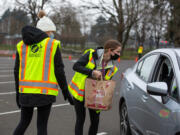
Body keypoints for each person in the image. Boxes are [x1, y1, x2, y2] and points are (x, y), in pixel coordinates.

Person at [13, 10, 73, 135]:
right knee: (41, 126)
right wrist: (65, 91)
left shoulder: (21, 45)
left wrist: (18, 92)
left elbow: (16, 71)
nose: (52, 35)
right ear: (47, 31)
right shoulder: (52, 44)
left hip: (25, 92)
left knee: (23, 123)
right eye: (52, 32)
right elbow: (59, 70)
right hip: (45, 93)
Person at [68, 39, 121, 135]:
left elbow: (106, 83)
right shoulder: (91, 54)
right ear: (110, 50)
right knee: (80, 119)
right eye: (117, 52)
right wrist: (92, 72)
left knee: (95, 121)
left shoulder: (112, 67)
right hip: (80, 93)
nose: (119, 54)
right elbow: (76, 66)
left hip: (95, 96)